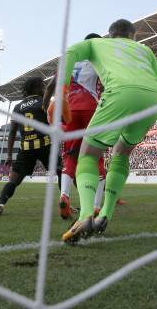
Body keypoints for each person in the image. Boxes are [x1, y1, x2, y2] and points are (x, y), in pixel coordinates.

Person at [60, 19, 157, 244]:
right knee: (122, 152)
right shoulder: (145, 50)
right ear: (134, 36)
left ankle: (85, 216)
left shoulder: (98, 44)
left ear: (109, 35)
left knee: (88, 154)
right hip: (153, 99)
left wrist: (62, 91)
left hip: (120, 92)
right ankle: (105, 215)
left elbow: (70, 52)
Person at [44, 33, 108, 219]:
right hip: (91, 110)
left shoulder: (70, 62)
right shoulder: (99, 61)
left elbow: (50, 87)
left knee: (70, 157)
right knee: (96, 158)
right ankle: (96, 206)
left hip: (69, 111)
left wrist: (44, 108)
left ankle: (64, 195)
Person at [0, 77, 62, 216]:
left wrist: (9, 155)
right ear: (37, 87)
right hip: (45, 145)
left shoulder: (18, 107)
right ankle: (66, 204)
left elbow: (12, 132)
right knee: (61, 172)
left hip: (26, 149)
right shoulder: (44, 101)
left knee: (13, 181)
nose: (44, 88)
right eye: (42, 86)